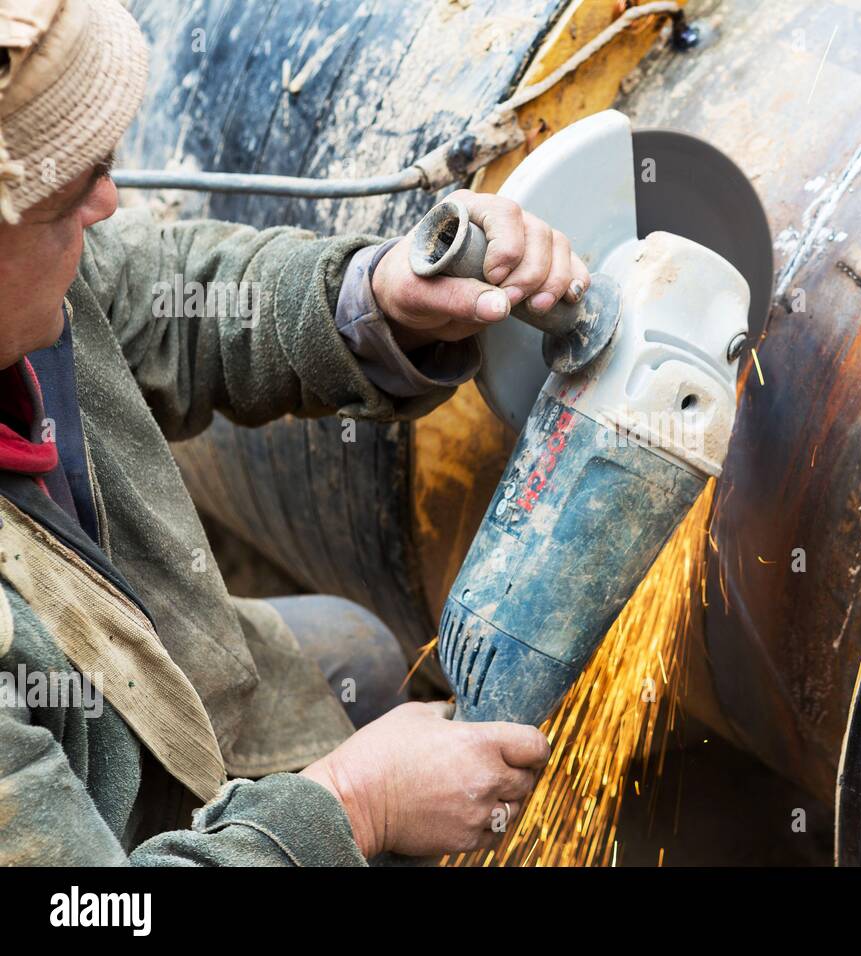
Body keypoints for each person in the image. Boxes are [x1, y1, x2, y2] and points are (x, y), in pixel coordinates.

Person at [0, 0, 583, 864]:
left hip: (164, 712)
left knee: (365, 653)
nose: (107, 200)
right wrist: (351, 808)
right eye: (64, 198)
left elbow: (168, 300)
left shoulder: (37, 289)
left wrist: (380, 296)